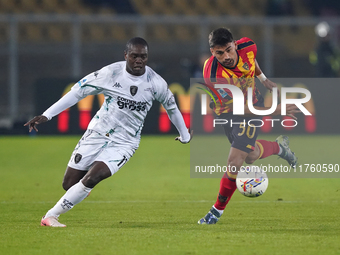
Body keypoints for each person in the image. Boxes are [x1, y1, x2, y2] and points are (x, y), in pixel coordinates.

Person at [25, 37, 192, 227]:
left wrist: (185, 135)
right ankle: (80, 190)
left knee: (95, 176)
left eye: (143, 57)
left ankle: (51, 216)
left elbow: (172, 108)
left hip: (125, 142)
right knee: (69, 184)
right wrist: (48, 115)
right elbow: (78, 91)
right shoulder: (110, 73)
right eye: (134, 56)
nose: (139, 60)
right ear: (125, 55)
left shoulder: (156, 82)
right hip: (97, 132)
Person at [198, 28, 298, 225]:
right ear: (212, 52)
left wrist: (263, 79)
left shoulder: (248, 45)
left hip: (251, 107)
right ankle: (279, 147)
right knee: (250, 156)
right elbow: (241, 108)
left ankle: (216, 211)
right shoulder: (214, 75)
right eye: (219, 53)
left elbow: (251, 61)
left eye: (228, 50)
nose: (226, 56)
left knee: (235, 162)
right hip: (232, 110)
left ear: (235, 44)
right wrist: (276, 111)